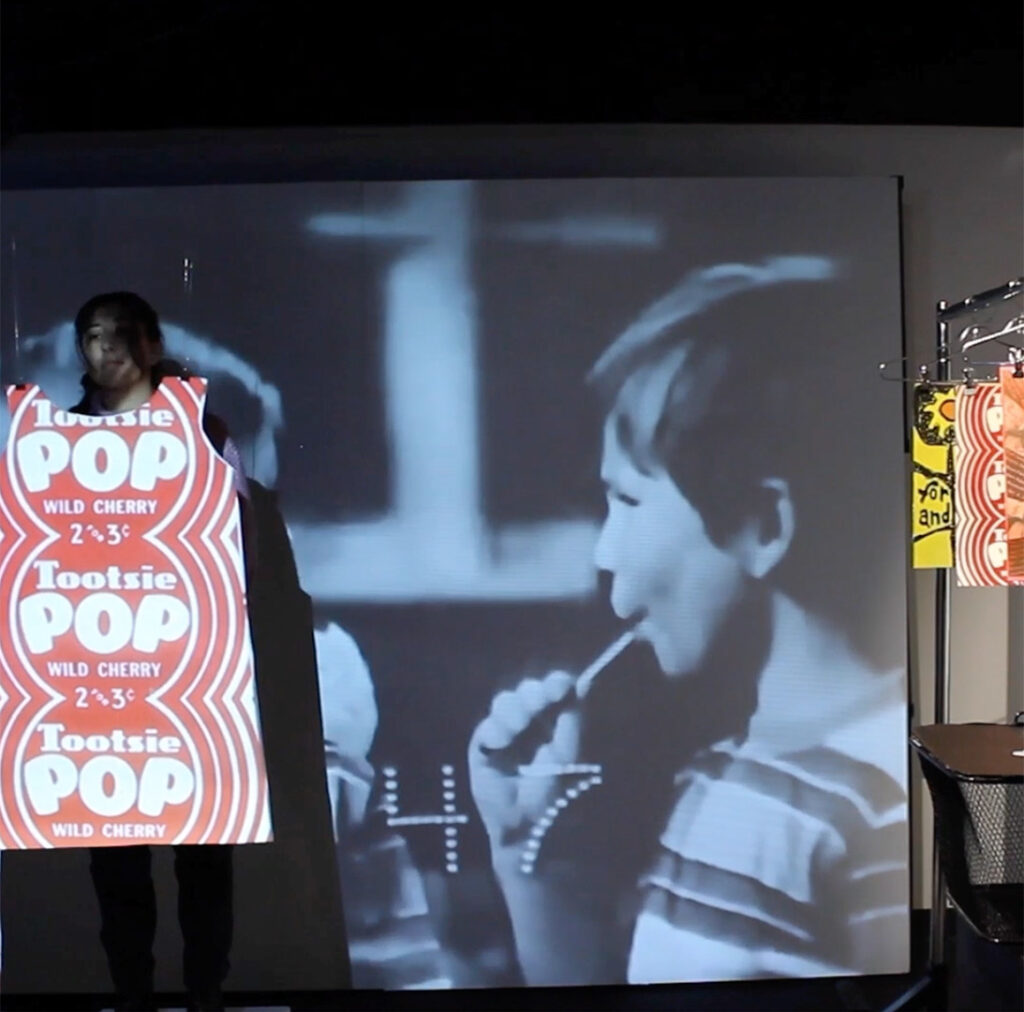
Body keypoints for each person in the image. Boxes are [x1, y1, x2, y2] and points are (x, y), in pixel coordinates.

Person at [468, 258, 908, 985]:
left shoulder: (889, 805)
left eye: (628, 501)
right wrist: (527, 860)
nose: (605, 551)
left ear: (763, 525)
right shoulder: (717, 776)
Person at [70, 292, 252, 1012]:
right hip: (98, 673)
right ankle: (133, 998)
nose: (106, 350)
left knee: (204, 856)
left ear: (150, 342)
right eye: (91, 337)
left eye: (121, 336)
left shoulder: (202, 431)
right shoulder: (59, 436)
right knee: (116, 862)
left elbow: (232, 530)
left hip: (192, 672)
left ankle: (206, 994)